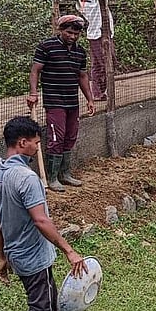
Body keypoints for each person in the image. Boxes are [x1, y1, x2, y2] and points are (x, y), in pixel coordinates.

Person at [0, 116, 87, 311]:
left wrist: (1, 257)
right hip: (32, 258)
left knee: (49, 305)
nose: (37, 147)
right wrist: (69, 250)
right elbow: (40, 220)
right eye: (35, 143)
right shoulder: (27, 178)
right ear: (22, 143)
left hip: (16, 256)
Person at [28, 15, 96, 192]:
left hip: (72, 100)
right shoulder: (46, 47)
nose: (72, 36)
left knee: (70, 136)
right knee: (56, 137)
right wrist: (33, 93)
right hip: (54, 100)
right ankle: (52, 178)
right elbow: (35, 70)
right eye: (69, 32)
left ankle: (65, 174)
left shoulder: (79, 52)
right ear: (60, 30)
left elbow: (82, 76)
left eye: (76, 34)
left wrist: (89, 98)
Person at [78, 0, 122, 101]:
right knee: (104, 62)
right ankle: (99, 91)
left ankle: (98, 92)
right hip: (98, 34)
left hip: (101, 33)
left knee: (99, 64)